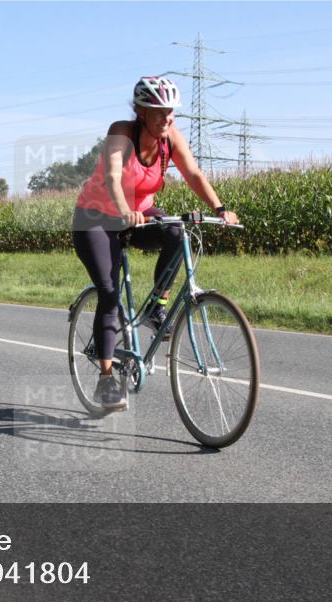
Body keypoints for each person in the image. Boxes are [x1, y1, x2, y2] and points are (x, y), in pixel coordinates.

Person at [73, 75, 240, 410]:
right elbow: (112, 174)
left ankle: (156, 306)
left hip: (138, 214)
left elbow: (193, 174)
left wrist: (219, 208)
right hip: (95, 219)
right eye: (159, 111)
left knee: (177, 234)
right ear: (140, 112)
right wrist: (123, 209)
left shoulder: (170, 138)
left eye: (171, 112)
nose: (168, 118)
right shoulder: (121, 132)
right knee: (109, 294)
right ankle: (106, 381)